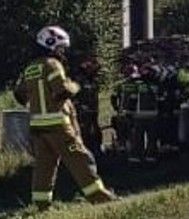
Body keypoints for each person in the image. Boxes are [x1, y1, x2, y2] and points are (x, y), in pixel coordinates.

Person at [13, 25, 117, 210]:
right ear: (51, 45)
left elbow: (20, 95)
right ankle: (100, 197)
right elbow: (61, 91)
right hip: (58, 126)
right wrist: (74, 86)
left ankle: (41, 205)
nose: (62, 52)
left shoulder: (30, 68)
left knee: (44, 167)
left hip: (38, 128)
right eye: (61, 48)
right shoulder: (52, 64)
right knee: (81, 159)